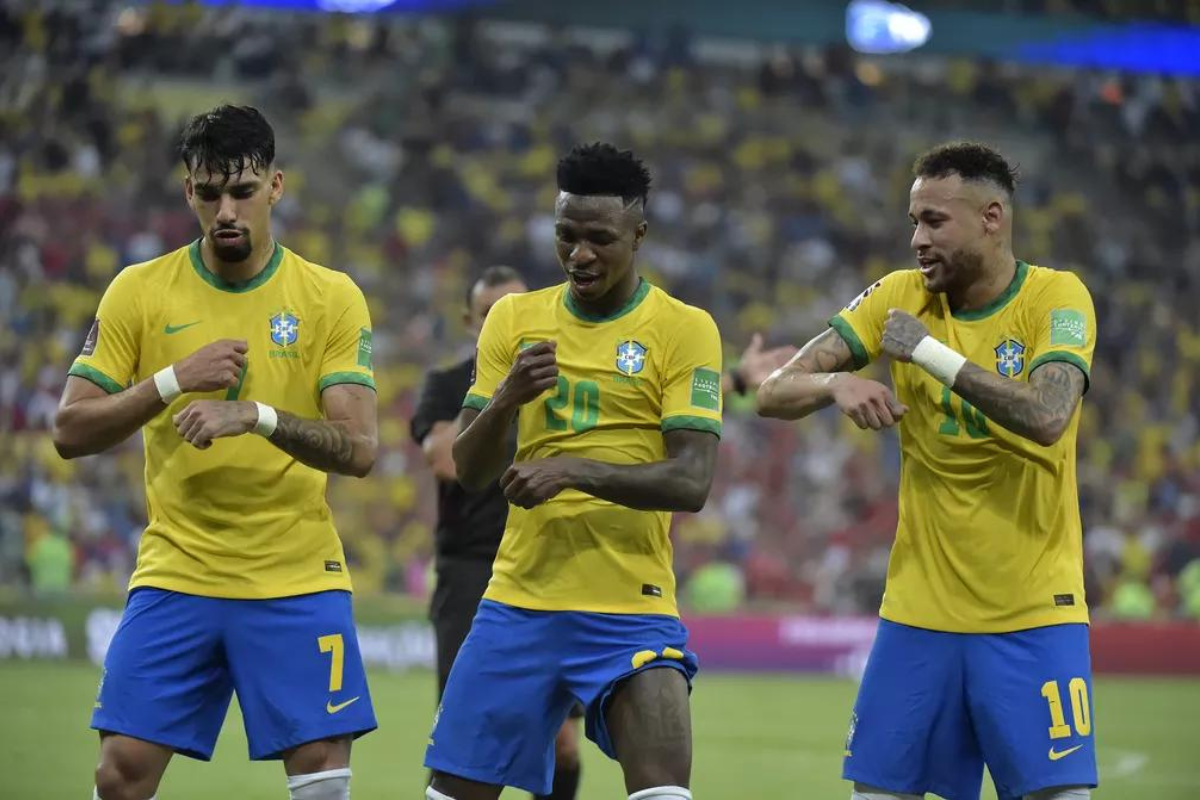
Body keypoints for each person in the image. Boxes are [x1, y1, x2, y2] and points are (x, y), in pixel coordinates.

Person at [54, 105, 378, 800]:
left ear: (277, 187)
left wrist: (254, 416)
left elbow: (359, 449)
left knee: (323, 772)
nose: (225, 210)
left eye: (243, 191)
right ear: (188, 193)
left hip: (296, 576)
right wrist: (173, 380)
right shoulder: (139, 291)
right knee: (119, 776)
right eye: (209, 193)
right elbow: (70, 430)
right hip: (179, 569)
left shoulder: (330, 297)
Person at [758, 142, 1098, 800]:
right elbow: (773, 390)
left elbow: (1049, 414)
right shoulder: (898, 294)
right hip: (917, 614)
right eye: (913, 221)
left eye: (934, 221)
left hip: (1032, 612)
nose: (916, 238)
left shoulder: (1057, 297)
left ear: (992, 218)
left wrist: (929, 353)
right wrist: (834, 386)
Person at [424, 143, 723, 800]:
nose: (580, 254)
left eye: (599, 238)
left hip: (630, 607)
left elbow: (690, 482)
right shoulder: (513, 318)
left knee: (665, 792)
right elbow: (470, 471)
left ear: (638, 235)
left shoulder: (685, 329)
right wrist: (506, 398)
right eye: (566, 236)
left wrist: (571, 470)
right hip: (519, 603)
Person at [410, 265, 585, 800]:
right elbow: (448, 460)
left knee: (562, 745)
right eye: (489, 313)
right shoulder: (448, 384)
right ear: (470, 320)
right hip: (470, 570)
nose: (501, 321)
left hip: (546, 565)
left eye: (511, 308)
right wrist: (509, 406)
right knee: (464, 741)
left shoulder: (565, 376)